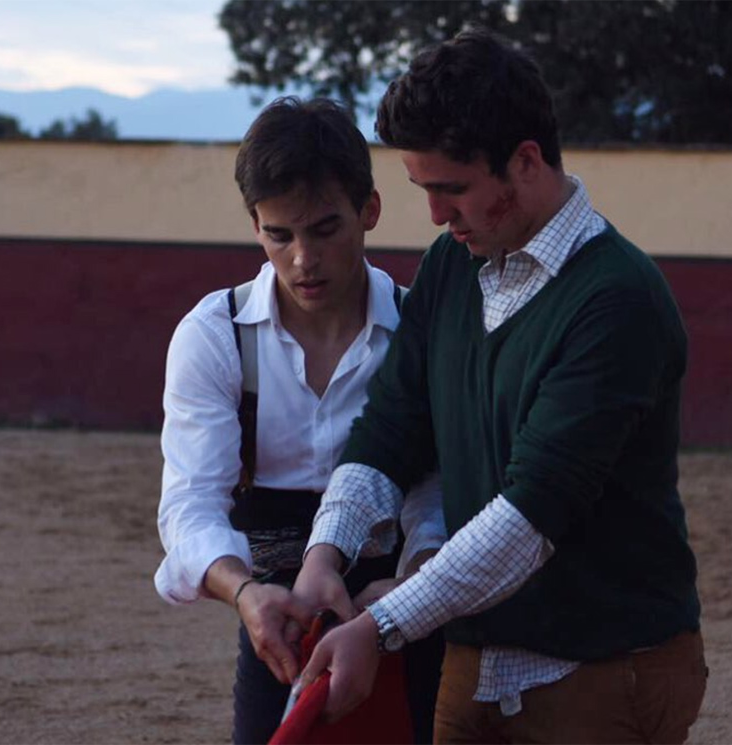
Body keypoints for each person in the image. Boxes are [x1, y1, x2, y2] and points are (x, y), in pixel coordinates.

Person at [288, 28, 708, 745]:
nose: (434, 215)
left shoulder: (616, 299)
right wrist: (324, 552)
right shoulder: (454, 266)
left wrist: (380, 626)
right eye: (423, 190)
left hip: (602, 669)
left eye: (451, 189)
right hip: (474, 658)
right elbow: (393, 425)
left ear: (525, 161)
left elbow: (528, 518)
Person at [153, 96, 445, 745]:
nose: (301, 259)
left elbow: (435, 484)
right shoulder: (215, 335)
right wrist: (244, 595)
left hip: (407, 605)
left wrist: (415, 582)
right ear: (254, 224)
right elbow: (190, 506)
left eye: (323, 228)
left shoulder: (420, 325)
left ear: (369, 210)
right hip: (278, 620)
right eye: (278, 234)